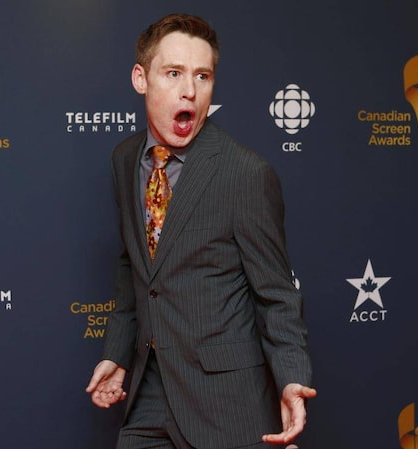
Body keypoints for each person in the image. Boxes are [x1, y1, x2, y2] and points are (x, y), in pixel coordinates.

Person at [86, 13, 316, 449]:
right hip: (149, 394)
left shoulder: (245, 173)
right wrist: (117, 354)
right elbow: (135, 265)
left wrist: (291, 380)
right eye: (173, 73)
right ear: (141, 78)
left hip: (227, 405)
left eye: (202, 76)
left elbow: (277, 295)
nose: (189, 90)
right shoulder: (124, 159)